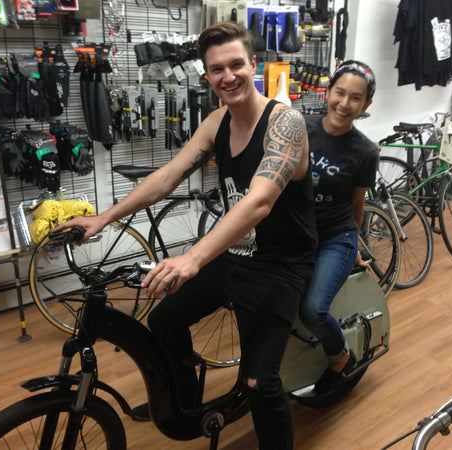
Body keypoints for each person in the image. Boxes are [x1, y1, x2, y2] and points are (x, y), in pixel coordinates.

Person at [55, 22, 317, 450]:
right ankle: (186, 405)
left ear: (254, 64)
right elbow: (167, 178)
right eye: (217, 69)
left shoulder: (285, 123)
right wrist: (104, 217)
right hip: (236, 252)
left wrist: (193, 257)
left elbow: (259, 202)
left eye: (236, 65)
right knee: (164, 319)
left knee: (259, 382)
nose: (228, 76)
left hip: (280, 263)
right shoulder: (217, 122)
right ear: (206, 76)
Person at [299, 60, 379, 395]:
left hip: (336, 238)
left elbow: (356, 205)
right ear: (328, 91)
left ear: (366, 105)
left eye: (355, 98)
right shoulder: (300, 126)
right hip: (297, 232)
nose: (344, 104)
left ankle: (340, 356)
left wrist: (356, 248)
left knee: (313, 310)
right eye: (340, 93)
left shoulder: (366, 151)